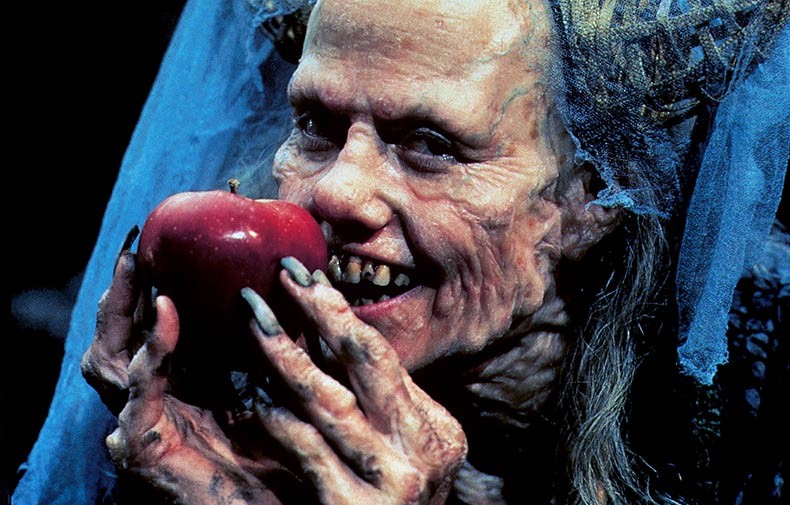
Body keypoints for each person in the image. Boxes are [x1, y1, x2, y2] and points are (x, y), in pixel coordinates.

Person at [12, 0, 788, 504]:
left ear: (595, 197)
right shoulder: (191, 408)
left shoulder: (753, 432)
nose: (336, 191)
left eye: (429, 144)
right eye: (315, 125)